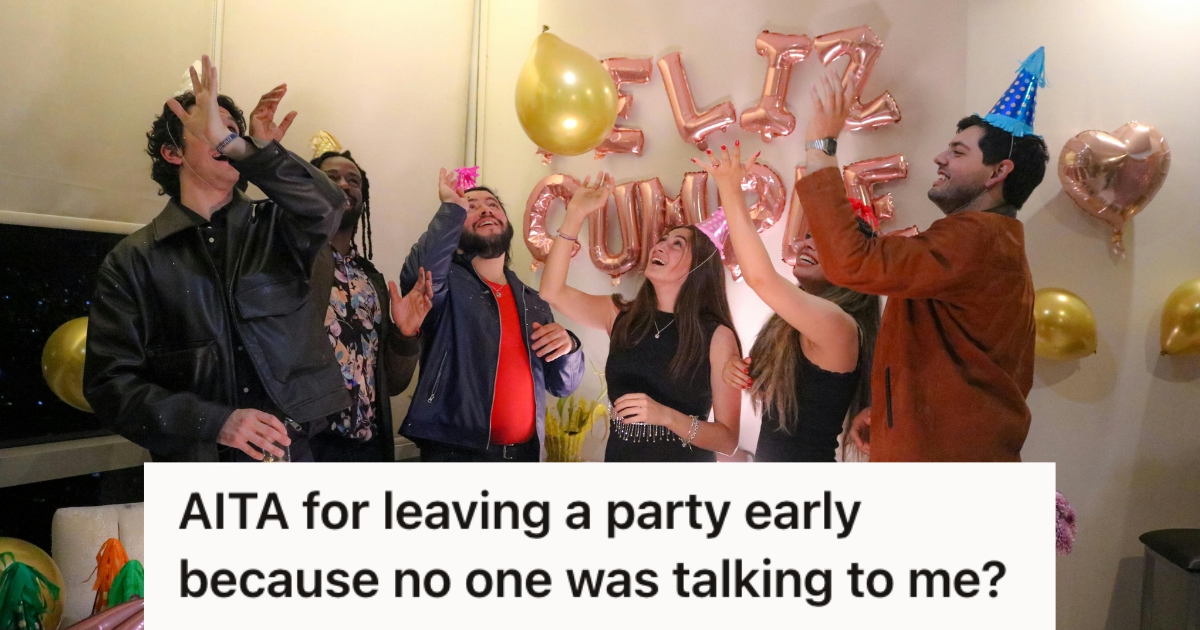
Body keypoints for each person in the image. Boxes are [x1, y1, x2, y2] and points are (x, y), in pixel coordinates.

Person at [84, 56, 350, 462]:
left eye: (231, 130)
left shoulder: (277, 226)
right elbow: (111, 384)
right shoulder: (133, 260)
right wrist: (214, 422)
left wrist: (248, 150)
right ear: (174, 153)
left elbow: (329, 204)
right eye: (209, 127)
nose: (224, 135)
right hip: (196, 471)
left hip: (291, 459)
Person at [797, 63, 1049, 461]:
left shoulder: (977, 237)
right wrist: (894, 411)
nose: (940, 157)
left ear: (998, 171)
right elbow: (960, 362)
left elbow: (852, 262)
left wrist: (820, 146)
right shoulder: (990, 241)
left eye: (958, 151)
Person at [539, 172, 742, 462]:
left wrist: (667, 416)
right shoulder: (621, 316)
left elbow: (728, 440)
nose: (659, 246)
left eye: (677, 244)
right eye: (663, 239)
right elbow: (552, 291)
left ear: (698, 268)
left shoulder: (717, 336)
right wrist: (574, 214)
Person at [697, 143, 880, 462]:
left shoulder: (840, 326)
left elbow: (761, 278)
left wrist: (730, 189)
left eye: (823, 241)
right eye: (809, 236)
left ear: (853, 262)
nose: (807, 243)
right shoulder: (802, 324)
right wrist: (737, 372)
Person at [397, 169, 586, 461]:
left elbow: (562, 386)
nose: (485, 209)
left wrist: (569, 347)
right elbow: (422, 275)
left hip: (524, 457)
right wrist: (451, 209)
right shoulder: (447, 286)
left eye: (493, 204)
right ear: (456, 234)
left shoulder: (532, 301)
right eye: (471, 207)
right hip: (455, 455)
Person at [306, 147, 434, 462]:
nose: (344, 184)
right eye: (331, 177)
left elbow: (392, 384)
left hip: (369, 448)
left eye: (353, 180)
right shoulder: (293, 264)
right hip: (307, 446)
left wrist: (406, 335)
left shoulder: (371, 278)